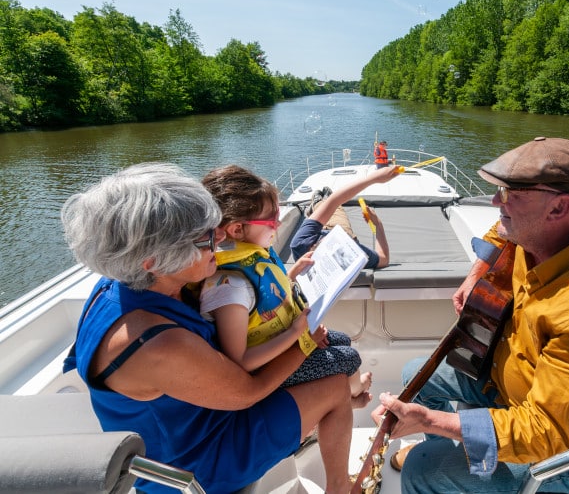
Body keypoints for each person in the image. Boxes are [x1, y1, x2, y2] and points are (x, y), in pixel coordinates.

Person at [372, 137, 569, 494]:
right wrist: (476, 274)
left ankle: (441, 463)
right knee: (414, 374)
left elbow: (547, 432)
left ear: (559, 207)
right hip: (516, 389)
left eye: (510, 194)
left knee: (423, 471)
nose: (496, 201)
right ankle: (448, 452)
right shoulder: (550, 228)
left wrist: (432, 421)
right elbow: (502, 230)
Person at [61, 163, 354, 494]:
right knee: (335, 386)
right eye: (204, 238)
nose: (219, 239)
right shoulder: (156, 345)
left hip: (195, 419)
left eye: (213, 227)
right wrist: (303, 342)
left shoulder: (117, 286)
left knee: (334, 355)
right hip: (194, 459)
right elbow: (248, 392)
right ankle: (341, 488)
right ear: (153, 262)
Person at [199, 164, 372, 408]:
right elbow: (240, 362)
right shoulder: (230, 288)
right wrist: (295, 333)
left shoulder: (252, 258)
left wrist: (292, 273)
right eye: (271, 221)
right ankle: (353, 395)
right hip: (266, 369)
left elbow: (261, 299)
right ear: (237, 228)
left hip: (280, 342)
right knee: (348, 358)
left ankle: (348, 390)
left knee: (341, 339)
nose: (278, 225)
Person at [291, 165, 400, 268]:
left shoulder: (299, 245)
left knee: (325, 206)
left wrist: (372, 179)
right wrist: (377, 224)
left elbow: (335, 200)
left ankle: (317, 202)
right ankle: (321, 200)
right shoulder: (351, 253)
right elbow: (384, 259)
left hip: (323, 234)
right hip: (342, 231)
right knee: (337, 210)